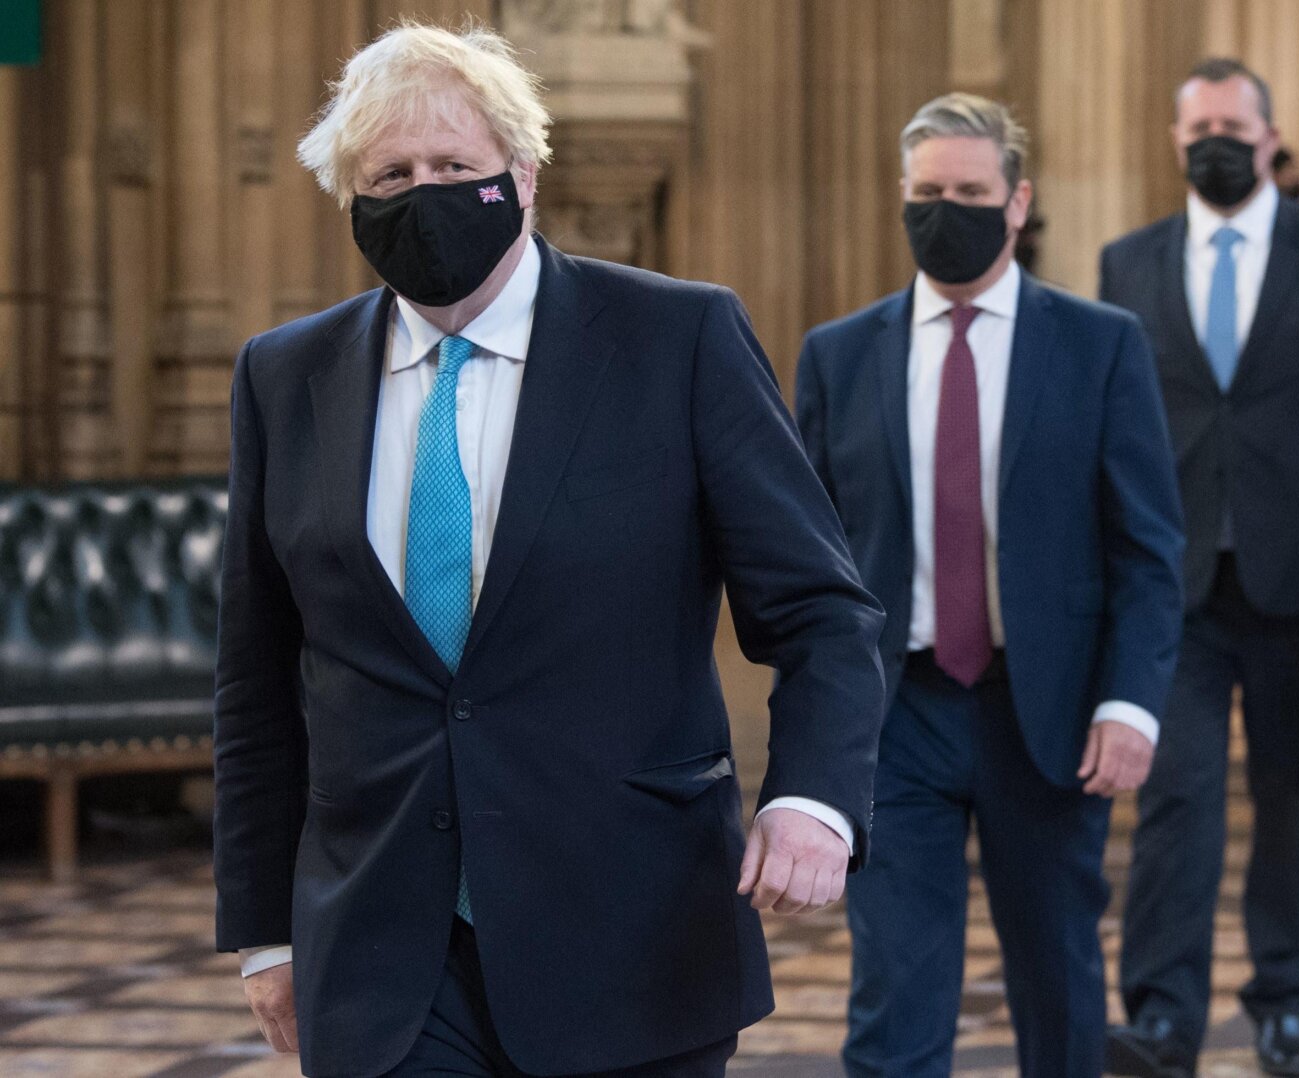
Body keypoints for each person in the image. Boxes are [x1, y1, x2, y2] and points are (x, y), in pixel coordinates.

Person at [214, 25, 887, 1078]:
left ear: (523, 178)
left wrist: (811, 797)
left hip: (630, 930)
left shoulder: (679, 340)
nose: (421, 192)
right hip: (385, 951)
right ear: (350, 201)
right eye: (389, 174)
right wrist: (265, 930)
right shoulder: (283, 376)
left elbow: (821, 611)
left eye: (453, 167)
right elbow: (254, 683)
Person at [796, 93, 1185, 1078]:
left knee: (1057, 978)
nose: (948, 208)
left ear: (1018, 202)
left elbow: (1147, 546)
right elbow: (811, 558)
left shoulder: (1100, 346)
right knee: (894, 989)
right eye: (928, 191)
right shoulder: (839, 356)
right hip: (898, 711)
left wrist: (1132, 701)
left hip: (1046, 709)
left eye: (971, 191)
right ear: (901, 197)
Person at [1099, 58, 1299, 1078]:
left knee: (1294, 800)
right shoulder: (1128, 261)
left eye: (1235, 125)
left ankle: (1283, 1003)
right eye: (1197, 125)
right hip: (1173, 586)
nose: (1216, 142)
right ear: (1173, 137)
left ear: (1272, 138)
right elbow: (1111, 425)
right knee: (1174, 800)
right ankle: (1161, 1017)